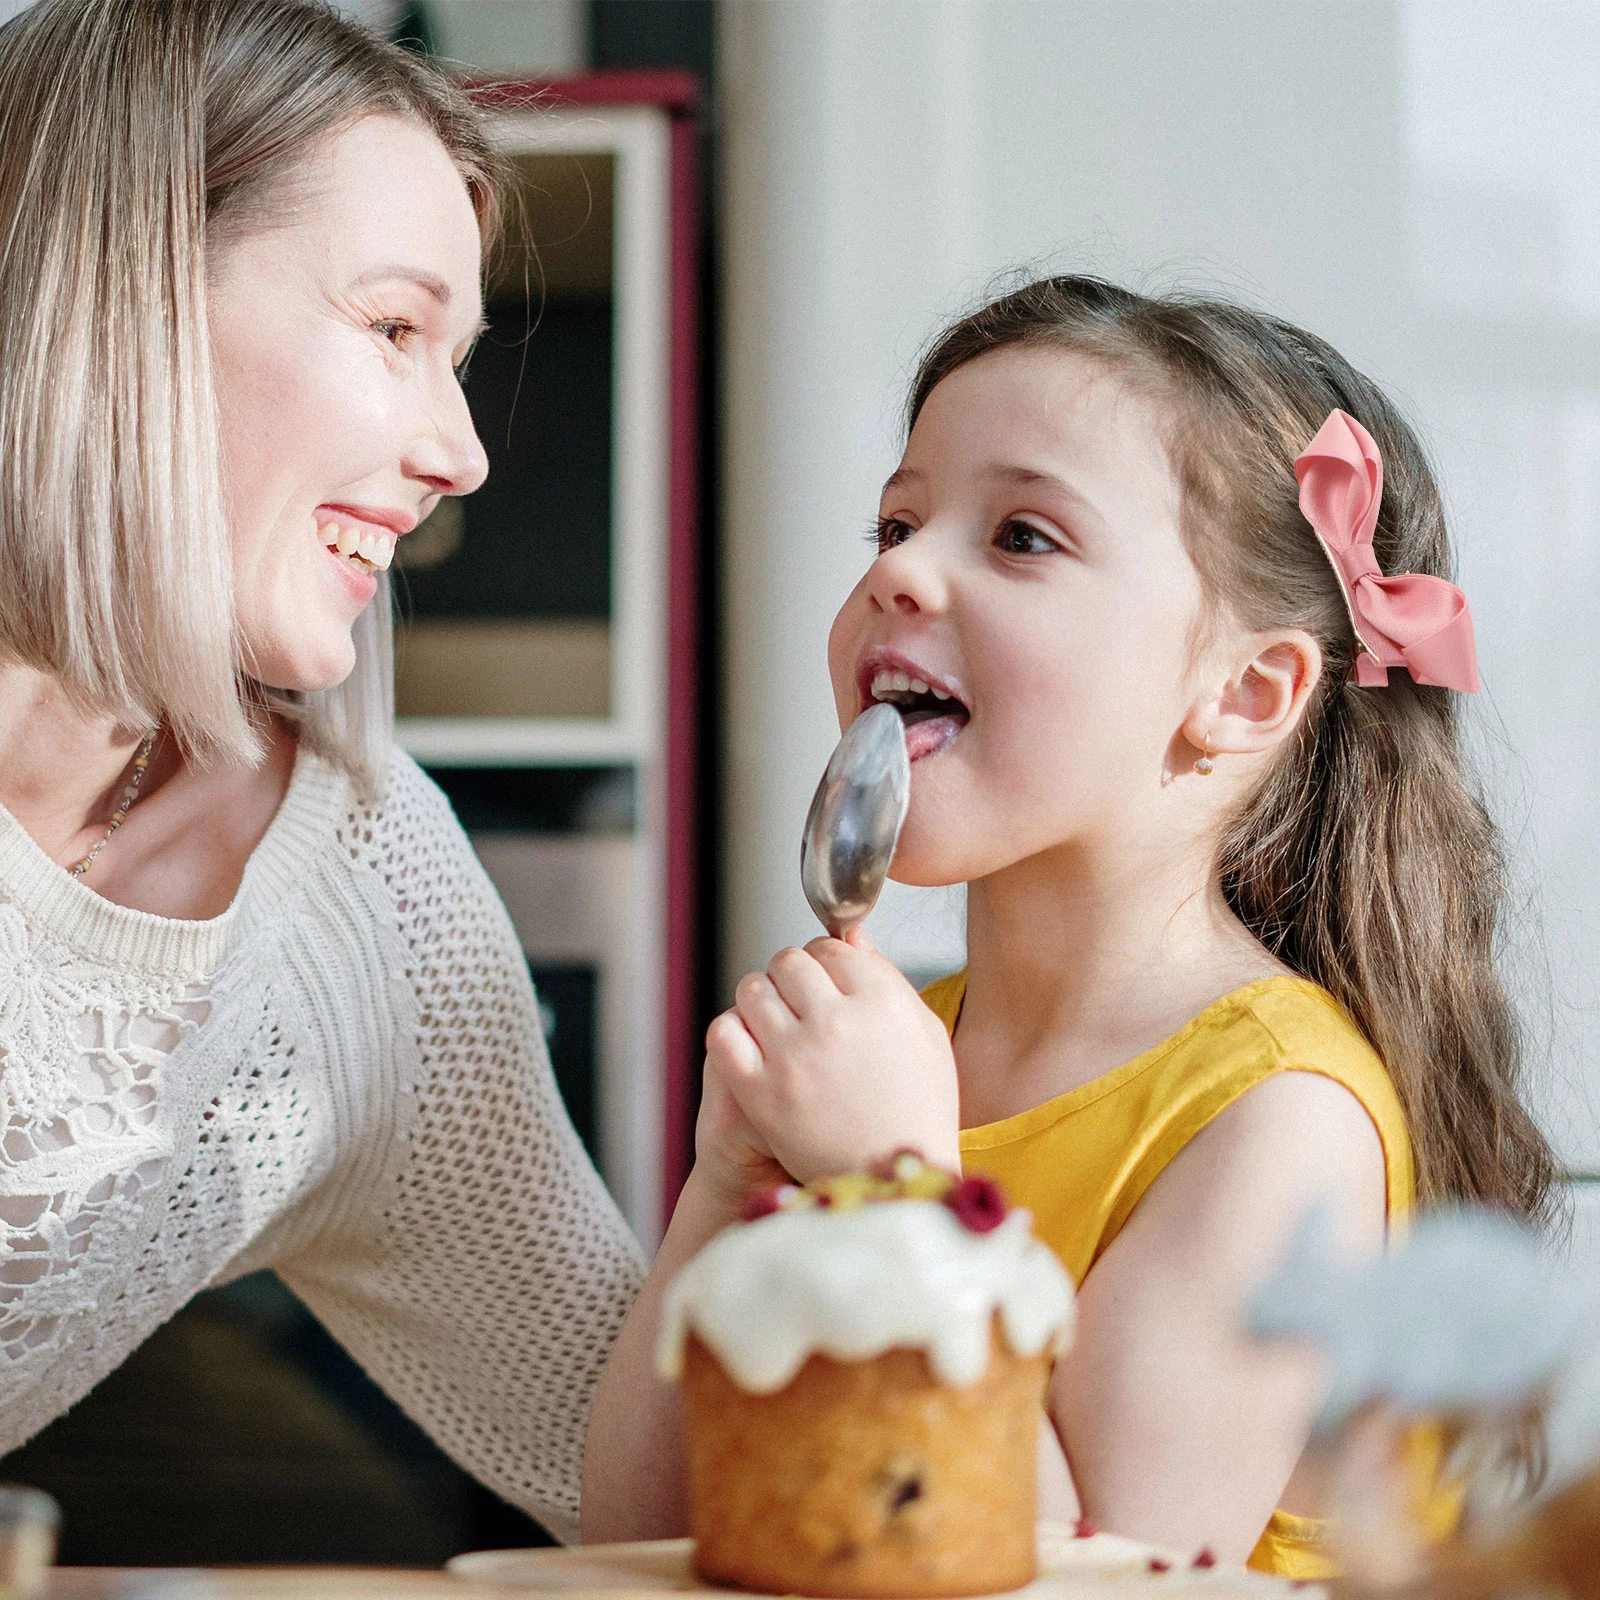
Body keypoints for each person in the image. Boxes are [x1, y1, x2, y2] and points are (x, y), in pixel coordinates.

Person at [587, 277, 1559, 1572]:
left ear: (1246, 689)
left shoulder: (1278, 1117)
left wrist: (892, 1196)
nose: (898, 571)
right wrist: (735, 1185)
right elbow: (635, 1538)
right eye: (895, 520)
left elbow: (1108, 1576)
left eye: (1024, 537)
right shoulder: (907, 1059)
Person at [0, 0, 647, 1546]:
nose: (461, 452)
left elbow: (651, 1493)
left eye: (459, 358)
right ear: (121, 290)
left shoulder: (357, 899)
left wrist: (812, 1171)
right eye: (393, 330)